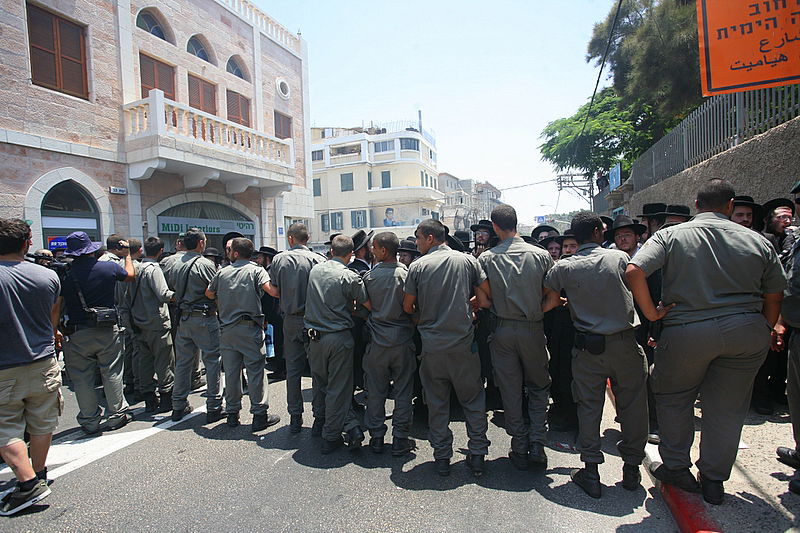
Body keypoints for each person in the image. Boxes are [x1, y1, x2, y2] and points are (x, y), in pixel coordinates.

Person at [627, 178, 786, 505]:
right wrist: (761, 327)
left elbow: (634, 271)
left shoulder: (671, 234)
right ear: (730, 207)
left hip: (686, 331)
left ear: (697, 205)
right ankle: (713, 480)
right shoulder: (758, 240)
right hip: (747, 331)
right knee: (727, 408)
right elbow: (775, 295)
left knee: (674, 399)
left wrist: (652, 315)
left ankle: (677, 468)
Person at [544, 212, 649, 499]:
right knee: (633, 406)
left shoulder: (563, 268)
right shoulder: (617, 259)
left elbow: (550, 301)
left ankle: (590, 471)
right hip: (625, 343)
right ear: (594, 232)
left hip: (588, 348)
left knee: (588, 407)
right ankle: (631, 468)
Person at [403, 219, 491, 477]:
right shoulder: (467, 261)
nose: (416, 242)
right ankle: (477, 454)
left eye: (418, 237)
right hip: (463, 344)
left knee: (437, 402)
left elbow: (408, 307)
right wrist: (467, 308)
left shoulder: (418, 266)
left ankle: (442, 456)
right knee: (473, 400)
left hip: (432, 347)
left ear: (430, 238)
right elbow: (485, 298)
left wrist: (424, 319)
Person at [477, 205, 561, 470]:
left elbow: (483, 300)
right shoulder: (541, 255)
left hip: (502, 328)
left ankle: (519, 443)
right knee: (538, 386)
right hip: (533, 328)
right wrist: (534, 311)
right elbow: (553, 296)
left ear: (494, 226)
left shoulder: (487, 258)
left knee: (510, 389)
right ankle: (537, 441)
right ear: (516, 223)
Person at [0, 219, 61, 515]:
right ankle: (38, 473)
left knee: (5, 428)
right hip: (43, 360)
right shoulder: (47, 276)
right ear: (27, 242)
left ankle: (27, 484)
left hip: (5, 365)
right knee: (41, 423)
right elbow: (51, 317)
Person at [59, 231, 135, 435]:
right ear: (91, 250)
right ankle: (117, 414)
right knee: (111, 371)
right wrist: (127, 255)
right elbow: (130, 276)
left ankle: (90, 420)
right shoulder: (108, 268)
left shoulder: (65, 274)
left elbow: (58, 304)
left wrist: (55, 330)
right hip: (106, 328)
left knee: (82, 378)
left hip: (76, 332)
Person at [206, 238, 281, 433]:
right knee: (255, 372)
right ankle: (259, 415)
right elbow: (272, 292)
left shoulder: (222, 273)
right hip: (249, 328)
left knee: (231, 373)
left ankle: (232, 414)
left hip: (227, 329)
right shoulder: (256, 270)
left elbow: (209, 293)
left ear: (236, 253)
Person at [304, 235, 371, 453]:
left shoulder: (315, 270)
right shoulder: (349, 277)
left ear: (331, 251)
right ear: (350, 255)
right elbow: (367, 304)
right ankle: (333, 435)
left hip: (314, 337)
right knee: (338, 389)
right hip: (339, 336)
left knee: (321, 384)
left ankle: (324, 422)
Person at [266, 223, 325, 433]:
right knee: (318, 371)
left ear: (290, 238)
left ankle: (295, 416)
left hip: (290, 320)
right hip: (314, 320)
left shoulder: (280, 259)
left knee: (293, 370)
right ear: (307, 239)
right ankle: (319, 417)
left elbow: (273, 290)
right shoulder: (319, 260)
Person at [362, 232, 416, 456]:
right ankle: (400, 439)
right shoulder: (407, 275)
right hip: (402, 339)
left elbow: (362, 304)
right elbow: (414, 307)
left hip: (377, 341)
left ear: (384, 250)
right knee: (403, 391)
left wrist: (376, 312)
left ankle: (376, 437)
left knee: (375, 391)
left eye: (374, 247)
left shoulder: (369, 277)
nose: (371, 250)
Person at [164, 228, 224, 423]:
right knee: (212, 360)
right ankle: (214, 406)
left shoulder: (174, 263)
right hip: (204, 317)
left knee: (183, 363)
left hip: (184, 317)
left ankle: (178, 405)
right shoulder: (205, 264)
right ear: (200, 243)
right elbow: (215, 290)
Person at [122, 237, 175, 414]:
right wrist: (180, 295)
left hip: (137, 321)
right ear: (160, 251)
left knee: (144, 361)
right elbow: (163, 294)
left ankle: (149, 398)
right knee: (163, 360)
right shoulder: (154, 269)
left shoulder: (134, 268)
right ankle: (166, 396)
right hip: (156, 322)